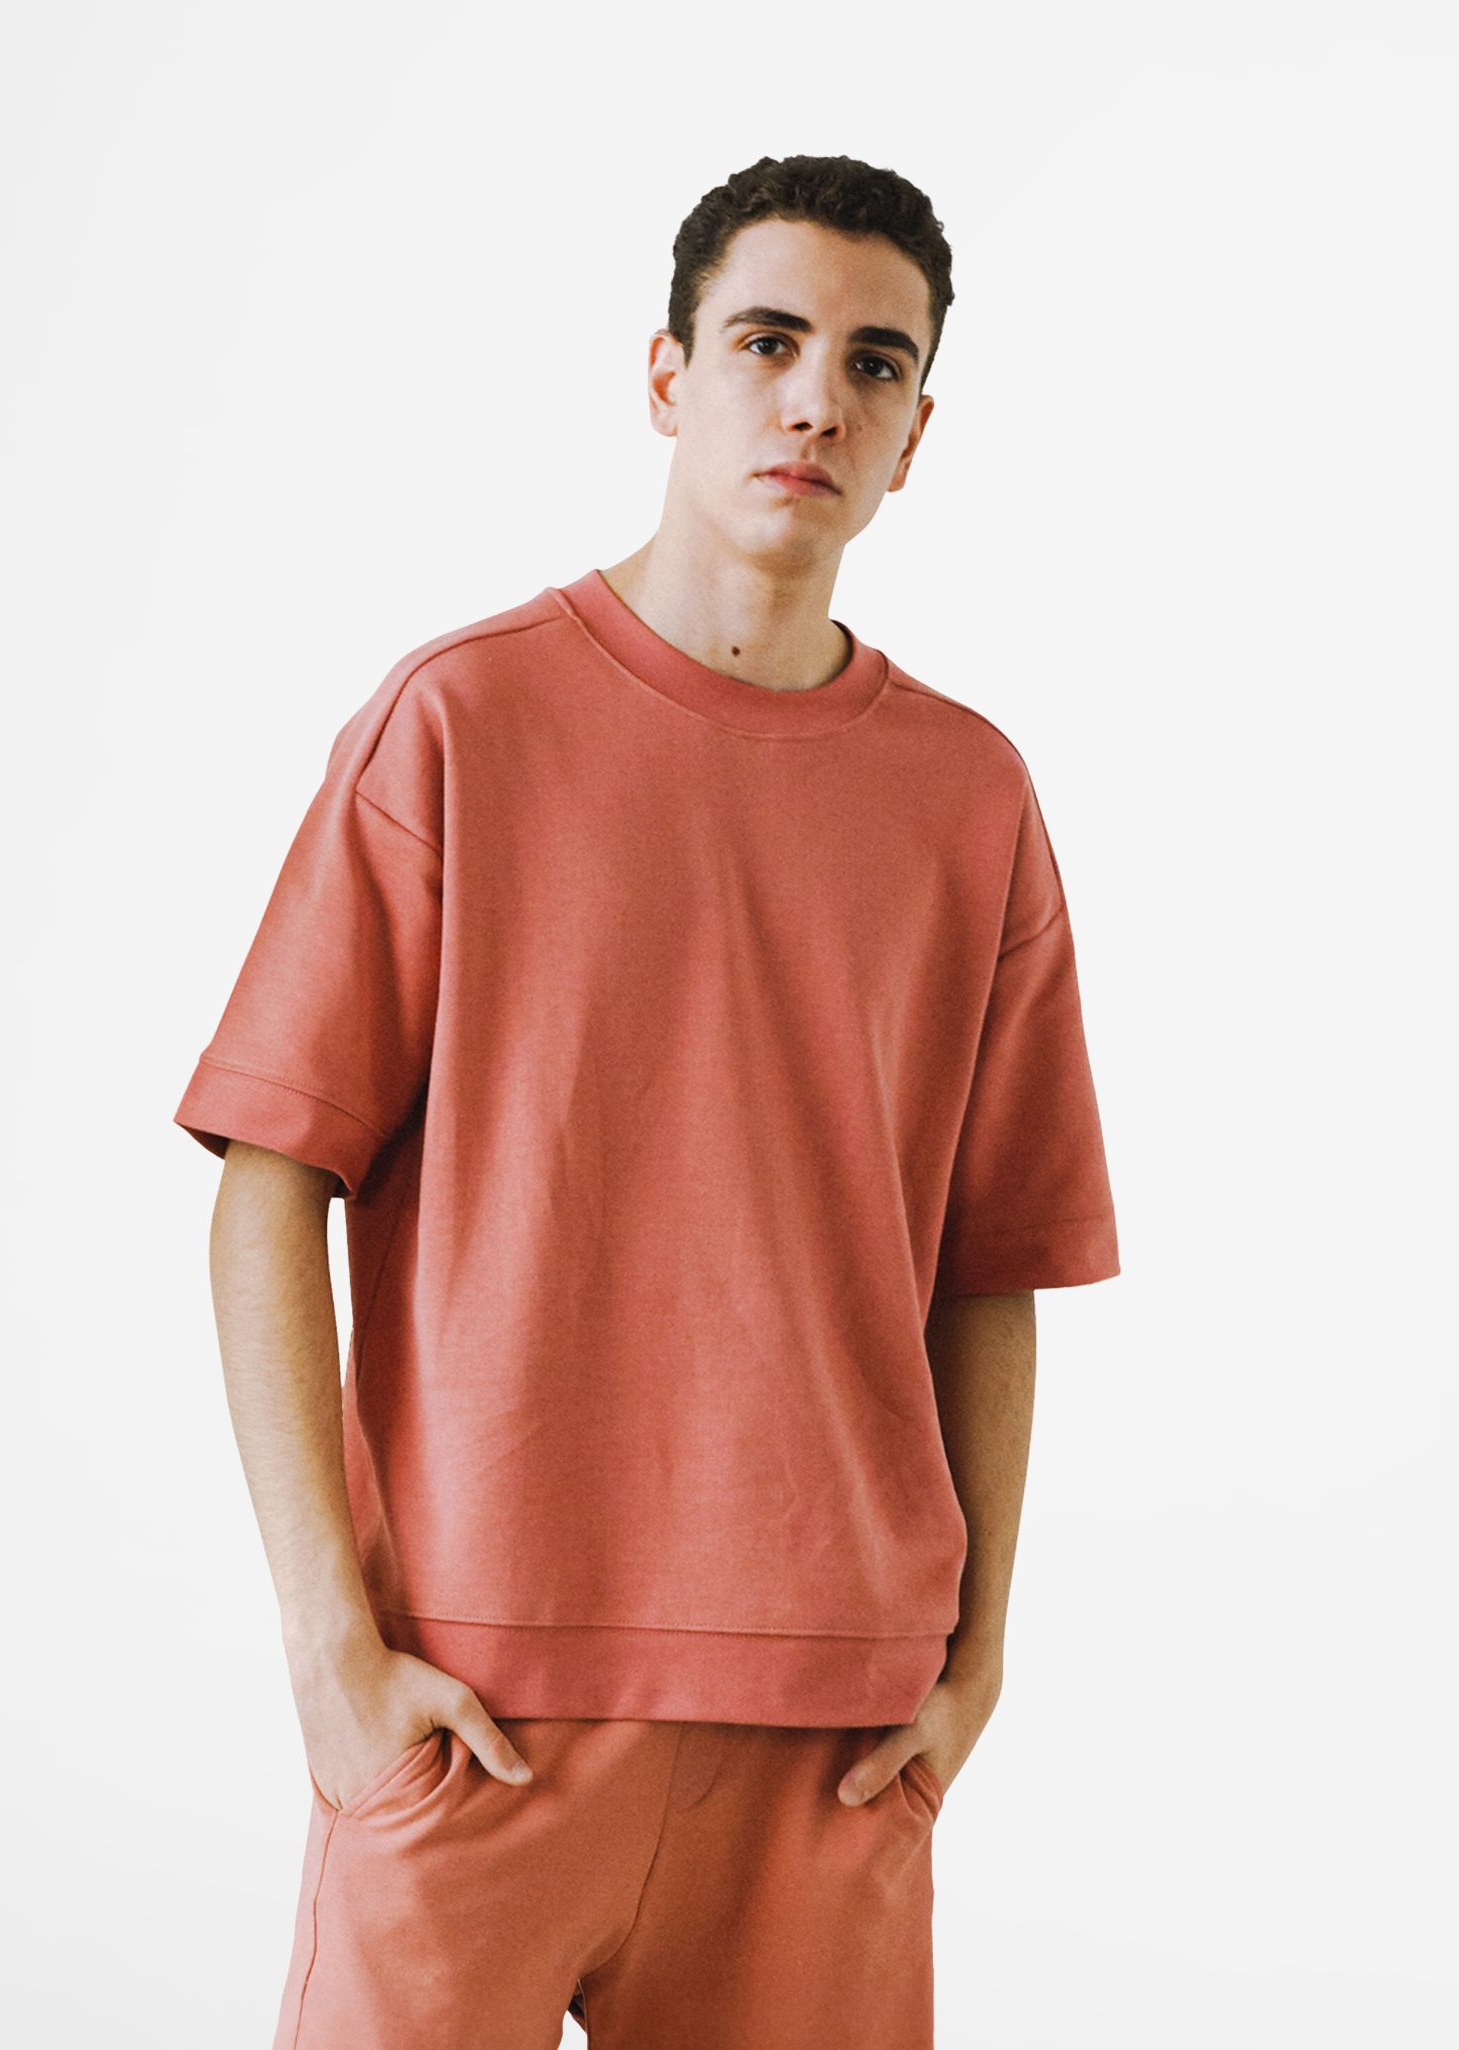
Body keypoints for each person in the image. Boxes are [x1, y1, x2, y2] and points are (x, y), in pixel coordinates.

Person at [174, 151, 1120, 2050]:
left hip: (838, 1737)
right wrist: (331, 1654)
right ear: (668, 377)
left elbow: (991, 1259)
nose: (815, 399)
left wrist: (980, 1653)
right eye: (768, 341)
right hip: (477, 1713)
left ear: (916, 435)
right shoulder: (460, 721)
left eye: (873, 364)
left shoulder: (970, 797)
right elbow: (270, 1173)